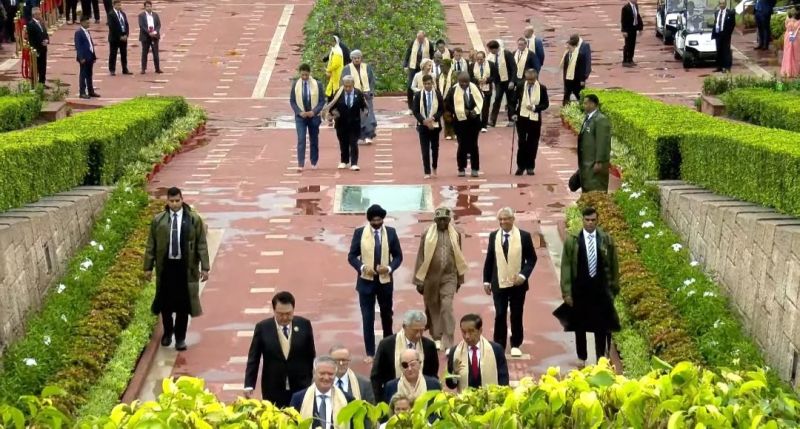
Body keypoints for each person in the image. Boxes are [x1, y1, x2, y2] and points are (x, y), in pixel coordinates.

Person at [143, 187, 210, 351]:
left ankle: (180, 338)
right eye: (171, 201)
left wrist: (205, 267)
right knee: (165, 305)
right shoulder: (159, 220)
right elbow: (151, 245)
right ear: (167, 201)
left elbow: (201, 244)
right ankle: (167, 333)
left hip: (185, 268)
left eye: (177, 201)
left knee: (183, 305)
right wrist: (148, 267)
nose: (174, 204)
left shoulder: (193, 219)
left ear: (182, 199)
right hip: (166, 267)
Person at [560, 207, 620, 367]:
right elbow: (565, 266)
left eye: (593, 220)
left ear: (597, 220)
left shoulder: (606, 240)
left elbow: (614, 265)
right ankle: (582, 356)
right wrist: (566, 292)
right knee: (580, 324)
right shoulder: (573, 240)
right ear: (582, 220)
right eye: (587, 220)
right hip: (580, 289)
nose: (590, 223)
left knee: (601, 325)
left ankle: (601, 357)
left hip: (600, 290)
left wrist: (614, 288)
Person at [347, 204, 403, 361]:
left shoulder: (391, 233)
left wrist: (389, 268)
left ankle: (387, 348)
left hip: (385, 282)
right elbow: (351, 256)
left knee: (387, 316)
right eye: (374, 221)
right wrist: (363, 267)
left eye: (379, 220)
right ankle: (370, 352)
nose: (377, 223)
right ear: (369, 220)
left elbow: (398, 256)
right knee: (367, 317)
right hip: (366, 283)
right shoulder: (360, 233)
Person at [244, 291, 316, 407]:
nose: (284, 317)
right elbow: (254, 358)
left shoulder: (304, 325)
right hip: (273, 387)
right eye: (280, 314)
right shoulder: (263, 328)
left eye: (288, 313)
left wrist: (311, 380)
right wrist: (249, 384)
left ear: (293, 309)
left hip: (300, 386)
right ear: (274, 311)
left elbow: (311, 355)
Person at [482, 207, 537, 357]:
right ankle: (499, 344)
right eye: (500, 219)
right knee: (500, 314)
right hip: (498, 282)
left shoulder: (524, 236)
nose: (503, 222)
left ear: (513, 219)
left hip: (517, 284)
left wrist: (523, 275)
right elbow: (490, 259)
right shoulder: (494, 236)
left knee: (516, 314)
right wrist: (486, 281)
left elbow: (532, 258)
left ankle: (516, 344)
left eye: (506, 218)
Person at [413, 206, 467, 352]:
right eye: (440, 220)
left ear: (449, 220)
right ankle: (437, 337)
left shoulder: (455, 234)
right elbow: (420, 256)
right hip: (431, 276)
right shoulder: (427, 233)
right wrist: (419, 280)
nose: (442, 222)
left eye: (445, 220)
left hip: (449, 276)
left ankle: (448, 341)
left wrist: (460, 278)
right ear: (435, 220)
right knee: (433, 306)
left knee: (447, 307)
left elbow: (459, 256)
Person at [370, 310, 439, 403]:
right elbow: (376, 377)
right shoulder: (387, 345)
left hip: (423, 399)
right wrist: (380, 401)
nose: (418, 334)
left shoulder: (429, 346)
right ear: (404, 327)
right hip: (394, 399)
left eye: (421, 330)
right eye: (415, 331)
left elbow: (433, 374)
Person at [445, 314, 509, 391]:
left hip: (490, 400)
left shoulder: (496, 350)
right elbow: (451, 385)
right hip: (465, 401)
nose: (467, 336)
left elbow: (503, 379)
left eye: (471, 331)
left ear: (480, 331)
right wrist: (454, 374)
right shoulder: (455, 352)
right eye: (463, 332)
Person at [289, 356, 354, 429]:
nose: (326, 378)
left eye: (330, 374)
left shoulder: (348, 400)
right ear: (314, 373)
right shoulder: (298, 398)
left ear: (335, 375)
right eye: (322, 373)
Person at [324, 75, 367, 171]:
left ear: (353, 85)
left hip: (354, 123)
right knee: (343, 143)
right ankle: (344, 161)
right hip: (341, 123)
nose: (347, 88)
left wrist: (365, 113)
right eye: (345, 86)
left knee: (353, 143)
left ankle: (354, 163)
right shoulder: (338, 93)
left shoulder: (358, 93)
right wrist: (334, 113)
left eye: (349, 86)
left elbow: (363, 106)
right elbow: (331, 107)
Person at [511, 69, 549, 176]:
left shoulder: (542, 88)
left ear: (536, 78)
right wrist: (513, 113)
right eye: (529, 80)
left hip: (535, 118)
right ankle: (520, 166)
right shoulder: (520, 85)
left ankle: (530, 166)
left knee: (533, 143)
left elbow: (545, 104)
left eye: (532, 81)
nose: (530, 83)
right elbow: (513, 101)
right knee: (522, 143)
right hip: (522, 117)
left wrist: (535, 107)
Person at [445, 72, 483, 177]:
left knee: (474, 145)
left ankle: (475, 168)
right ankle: (461, 168)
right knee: (462, 145)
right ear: (458, 81)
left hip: (473, 121)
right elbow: (448, 105)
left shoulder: (475, 88)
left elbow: (480, 100)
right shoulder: (453, 90)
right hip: (460, 122)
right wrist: (460, 111)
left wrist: (475, 111)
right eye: (462, 82)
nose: (464, 84)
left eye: (466, 82)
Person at [289, 63, 325, 169]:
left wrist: (314, 112)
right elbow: (292, 101)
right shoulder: (295, 84)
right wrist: (299, 112)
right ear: (300, 73)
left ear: (309, 73)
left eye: (306, 75)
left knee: (314, 139)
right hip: (301, 117)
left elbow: (322, 101)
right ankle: (300, 163)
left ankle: (314, 161)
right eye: (302, 75)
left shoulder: (317, 84)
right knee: (301, 139)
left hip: (314, 116)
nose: (304, 77)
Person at [341, 50, 377, 144]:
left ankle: (368, 135)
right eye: (355, 58)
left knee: (368, 114)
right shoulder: (347, 69)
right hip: (354, 95)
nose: (357, 60)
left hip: (366, 94)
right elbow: (344, 83)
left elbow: (372, 80)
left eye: (358, 58)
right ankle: (359, 135)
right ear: (351, 58)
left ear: (361, 58)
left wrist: (371, 91)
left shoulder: (367, 67)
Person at [577, 94, 612, 192]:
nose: (583, 105)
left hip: (594, 163)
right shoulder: (588, 118)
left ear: (592, 104)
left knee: (596, 189)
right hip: (587, 162)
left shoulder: (601, 120)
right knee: (588, 188)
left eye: (585, 103)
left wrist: (599, 161)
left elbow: (603, 142)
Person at [412, 74, 444, 179]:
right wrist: (423, 120)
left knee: (435, 149)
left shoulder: (437, 94)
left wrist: (433, 118)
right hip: (423, 125)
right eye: (425, 84)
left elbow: (441, 109)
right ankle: (427, 171)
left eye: (429, 84)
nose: (427, 86)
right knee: (425, 150)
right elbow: (415, 111)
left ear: (432, 83)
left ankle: (434, 166)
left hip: (435, 125)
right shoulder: (418, 95)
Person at [485, 40, 516, 127]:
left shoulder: (507, 54)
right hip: (499, 82)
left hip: (508, 81)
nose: (490, 52)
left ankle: (511, 120)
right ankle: (492, 120)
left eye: (490, 50)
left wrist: (512, 81)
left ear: (495, 49)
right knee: (497, 100)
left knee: (511, 101)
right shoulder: (493, 56)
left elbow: (514, 68)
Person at [404, 31, 434, 109]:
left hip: (424, 67)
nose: (419, 40)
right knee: (410, 85)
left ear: (424, 37)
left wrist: (430, 65)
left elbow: (432, 55)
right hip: (413, 66)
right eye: (418, 38)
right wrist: (405, 64)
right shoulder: (413, 43)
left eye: (421, 38)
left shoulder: (429, 44)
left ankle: (424, 105)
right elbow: (408, 53)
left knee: (425, 84)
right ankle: (410, 107)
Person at [560, 34, 592, 105]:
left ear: (573, 46)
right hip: (568, 79)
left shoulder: (581, 54)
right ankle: (565, 108)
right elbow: (565, 68)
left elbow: (583, 67)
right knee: (566, 95)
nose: (568, 47)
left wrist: (583, 79)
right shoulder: (567, 54)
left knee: (579, 95)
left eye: (569, 46)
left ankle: (583, 107)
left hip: (577, 80)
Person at [469, 51, 496, 132]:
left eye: (481, 59)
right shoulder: (472, 65)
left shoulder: (491, 64)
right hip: (475, 89)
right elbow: (470, 77)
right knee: (476, 107)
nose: (479, 61)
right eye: (477, 59)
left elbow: (494, 76)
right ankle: (476, 124)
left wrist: (487, 80)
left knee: (485, 108)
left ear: (484, 58)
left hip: (487, 89)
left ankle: (484, 125)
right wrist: (477, 81)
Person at [74, 14, 99, 99]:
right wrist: (81, 58)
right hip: (84, 58)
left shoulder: (87, 31)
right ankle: (82, 92)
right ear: (82, 22)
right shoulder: (78, 33)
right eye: (87, 23)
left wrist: (94, 56)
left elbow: (90, 44)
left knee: (89, 75)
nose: (88, 24)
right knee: (83, 75)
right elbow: (78, 46)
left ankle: (91, 91)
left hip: (90, 57)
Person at [107, 0, 131, 76]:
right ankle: (112, 69)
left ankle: (125, 69)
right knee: (113, 54)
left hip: (124, 36)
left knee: (124, 54)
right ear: (114, 5)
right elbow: (112, 27)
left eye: (120, 5)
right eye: (117, 5)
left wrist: (126, 35)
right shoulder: (111, 14)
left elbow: (126, 25)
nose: (119, 6)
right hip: (115, 38)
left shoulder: (123, 14)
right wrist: (119, 36)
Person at [26, 7, 48, 87]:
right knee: (36, 67)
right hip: (36, 49)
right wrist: (36, 48)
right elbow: (32, 39)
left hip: (43, 48)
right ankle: (34, 83)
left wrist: (46, 40)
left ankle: (42, 82)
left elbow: (45, 33)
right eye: (38, 14)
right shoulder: (31, 24)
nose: (39, 15)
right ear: (34, 15)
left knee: (43, 66)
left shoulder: (41, 22)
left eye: (40, 13)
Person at [138, 0, 162, 74]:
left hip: (154, 36)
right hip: (145, 36)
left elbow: (158, 25)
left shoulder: (155, 15)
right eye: (147, 6)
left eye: (150, 6)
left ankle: (157, 68)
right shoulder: (141, 15)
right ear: (145, 7)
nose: (149, 8)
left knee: (155, 53)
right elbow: (142, 26)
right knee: (144, 53)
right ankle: (143, 69)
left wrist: (155, 32)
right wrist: (149, 32)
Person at [436, 59, 457, 142]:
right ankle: (448, 133)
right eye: (440, 66)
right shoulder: (440, 76)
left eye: (442, 66)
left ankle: (454, 132)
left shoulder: (454, 75)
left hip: (453, 98)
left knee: (454, 116)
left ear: (447, 66)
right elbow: (438, 87)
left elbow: (455, 86)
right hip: (443, 99)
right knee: (446, 116)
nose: (441, 67)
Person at [711, 0, 735, 73]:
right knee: (719, 51)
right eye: (720, 4)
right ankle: (719, 67)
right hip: (718, 34)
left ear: (725, 4)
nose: (722, 5)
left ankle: (727, 67)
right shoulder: (717, 13)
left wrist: (728, 33)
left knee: (726, 51)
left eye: (723, 3)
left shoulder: (729, 13)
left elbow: (733, 24)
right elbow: (716, 23)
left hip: (726, 35)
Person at [620, 0, 643, 66]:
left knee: (632, 45)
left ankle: (630, 59)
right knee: (627, 45)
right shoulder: (625, 8)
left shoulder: (636, 6)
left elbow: (638, 17)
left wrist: (640, 28)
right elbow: (623, 20)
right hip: (628, 29)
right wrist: (624, 31)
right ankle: (625, 60)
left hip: (634, 28)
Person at [781, 9, 800, 78]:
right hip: (795, 37)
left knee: (789, 54)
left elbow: (786, 26)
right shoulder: (797, 20)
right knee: (795, 54)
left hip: (789, 36)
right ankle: (793, 71)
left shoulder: (788, 18)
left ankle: (787, 71)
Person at [325, 35, 344, 101]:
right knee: (331, 89)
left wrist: (328, 70)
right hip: (333, 74)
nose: (331, 43)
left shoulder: (337, 51)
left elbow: (336, 64)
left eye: (333, 41)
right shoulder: (334, 50)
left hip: (337, 74)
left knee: (336, 89)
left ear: (336, 42)